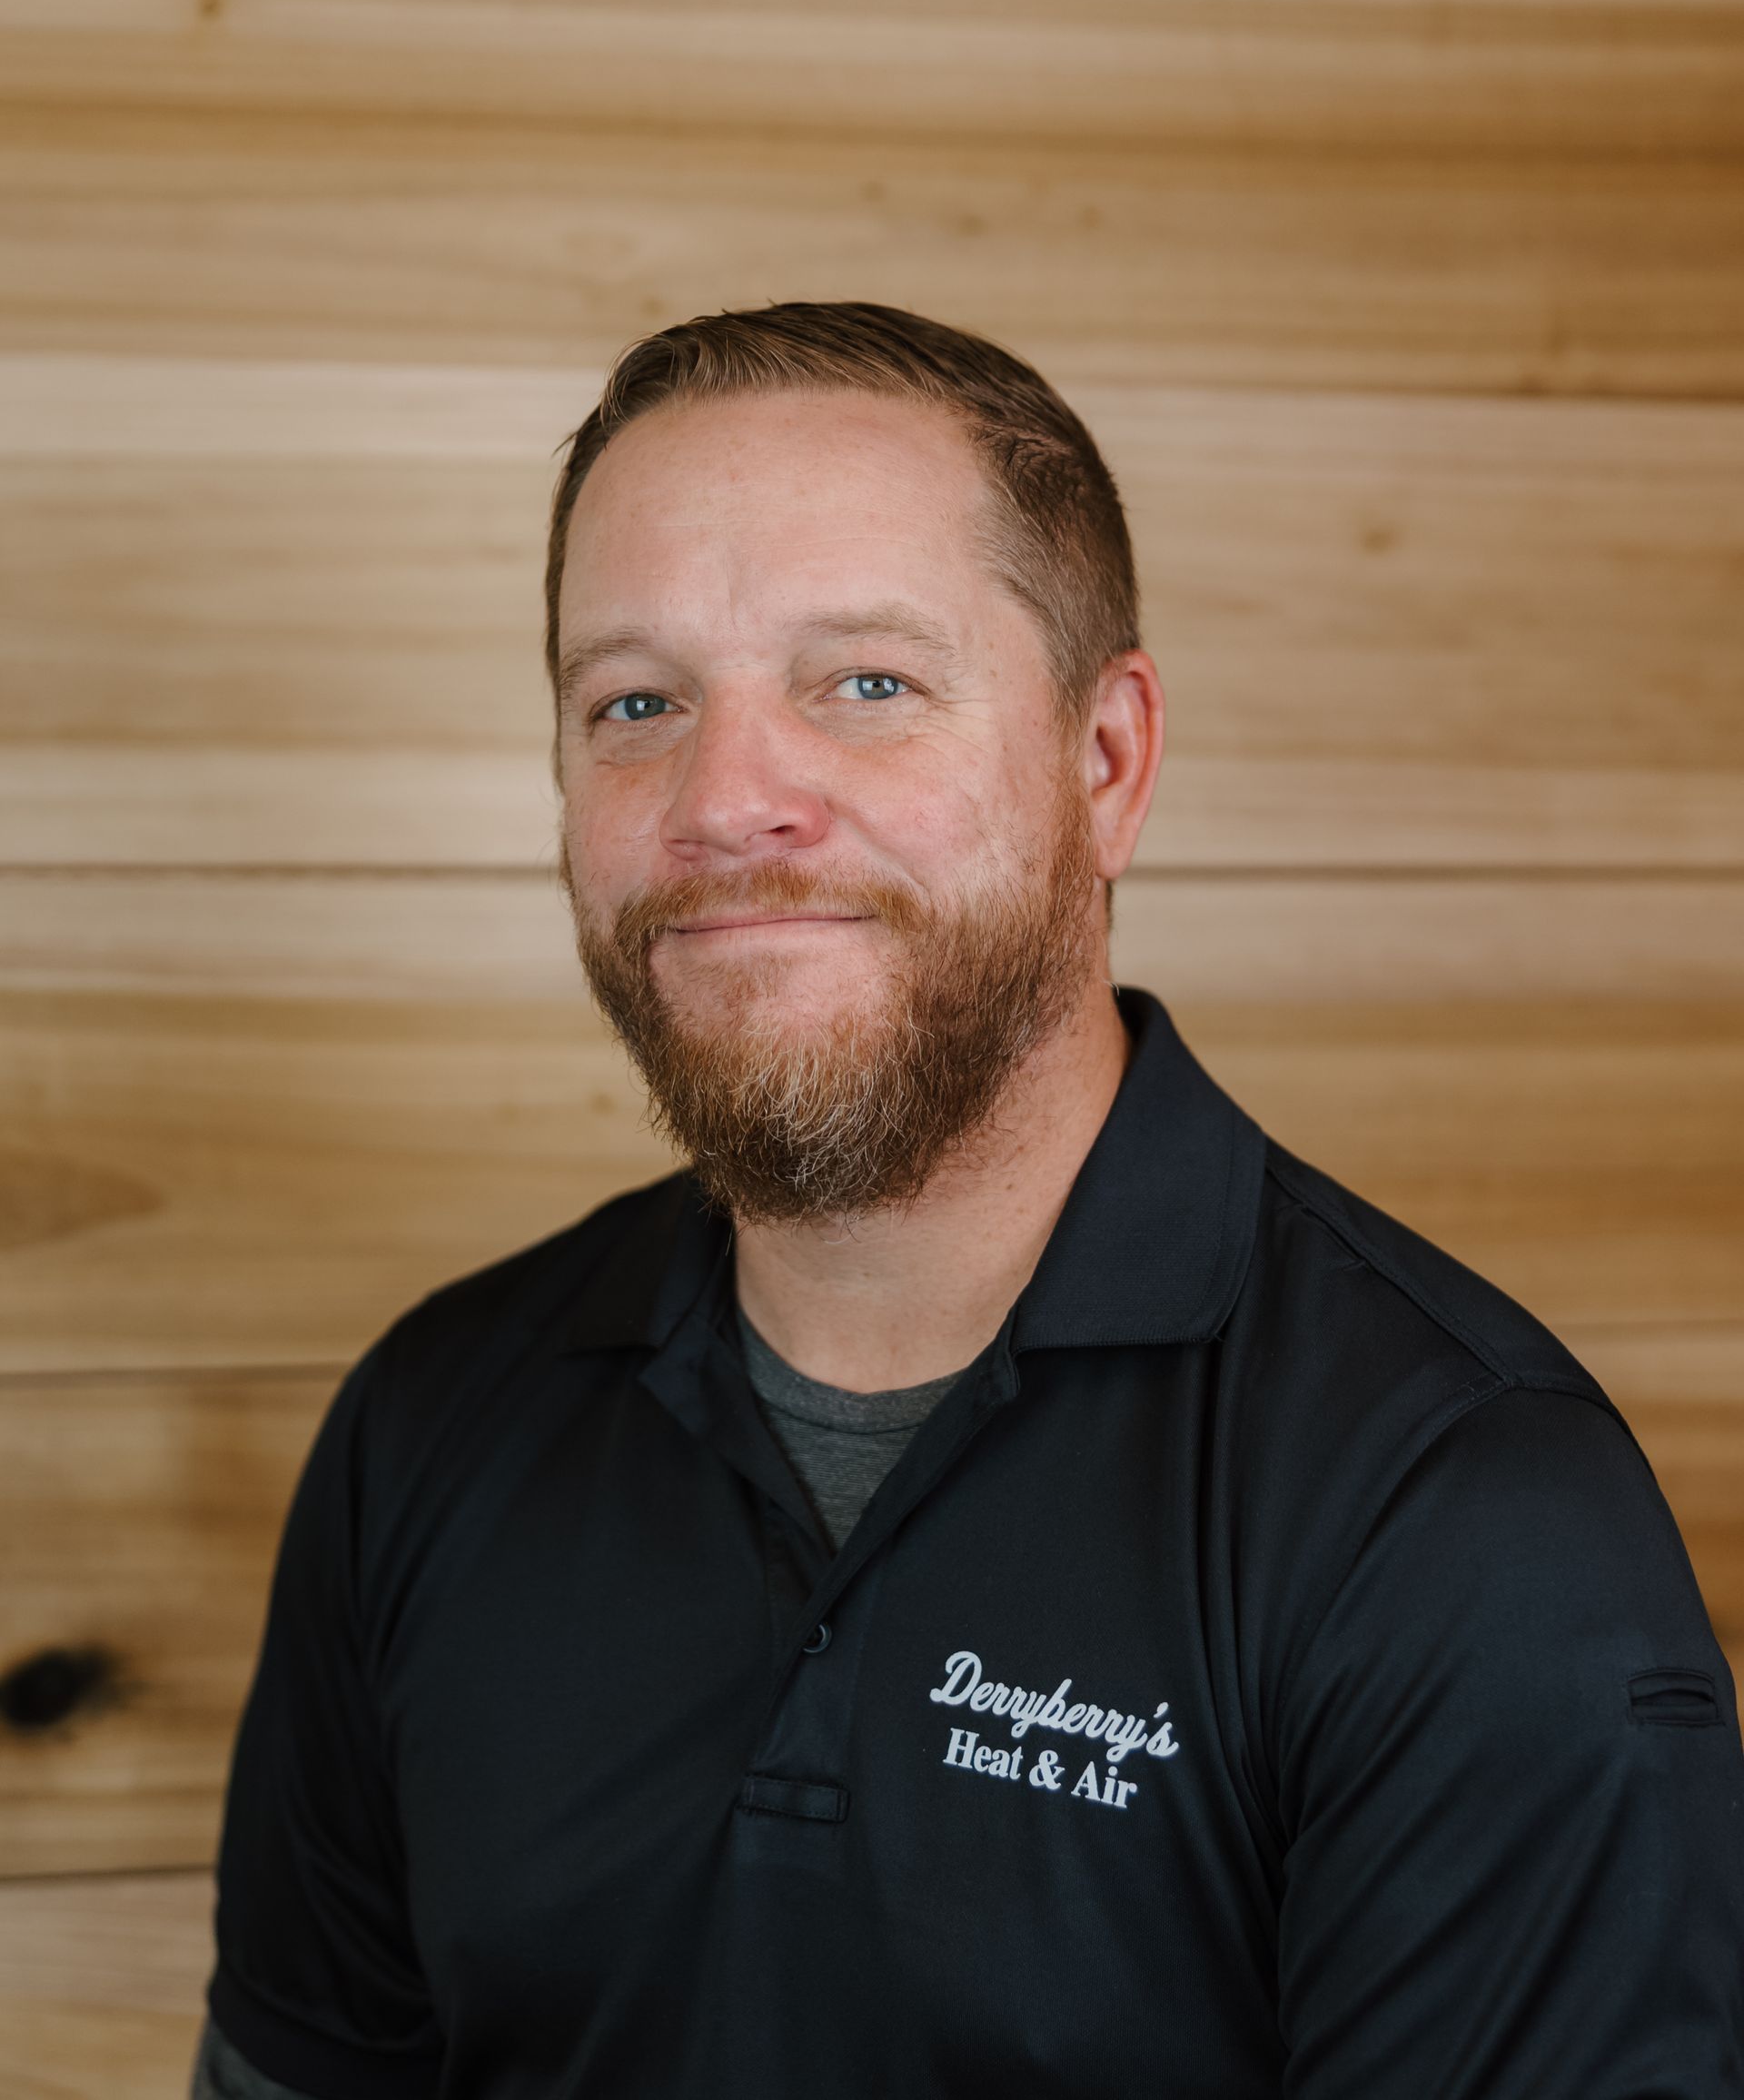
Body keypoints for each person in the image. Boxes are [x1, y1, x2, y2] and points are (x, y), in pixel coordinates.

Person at [193, 302, 1744, 2100]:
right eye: (636, 700)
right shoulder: (429, 1422)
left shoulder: (1463, 1519)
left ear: (1108, 763)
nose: (726, 798)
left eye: (866, 681)